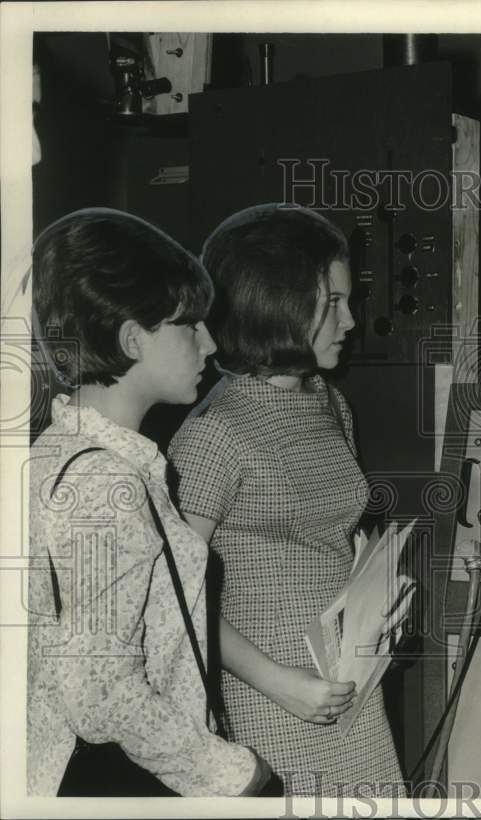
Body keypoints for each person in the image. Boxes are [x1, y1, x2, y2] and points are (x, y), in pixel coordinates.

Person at [27, 209, 272, 795]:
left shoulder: (59, 449)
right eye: (190, 325)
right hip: (110, 783)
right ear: (132, 338)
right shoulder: (101, 487)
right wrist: (233, 772)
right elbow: (98, 691)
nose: (211, 344)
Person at [168, 204, 403, 797]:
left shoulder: (328, 401)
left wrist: (379, 614)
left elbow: (337, 534)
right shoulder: (214, 432)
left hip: (348, 687)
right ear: (274, 302)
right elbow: (171, 596)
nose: (350, 319)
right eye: (333, 303)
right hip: (272, 697)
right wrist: (279, 683)